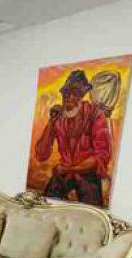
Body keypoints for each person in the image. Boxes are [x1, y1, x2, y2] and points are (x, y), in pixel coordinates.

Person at [35, 70, 112, 206]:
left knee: (92, 211)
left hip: (87, 173)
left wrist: (68, 169)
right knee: (45, 205)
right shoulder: (59, 117)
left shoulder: (95, 114)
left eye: (75, 94)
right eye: (66, 93)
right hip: (63, 172)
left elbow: (101, 157)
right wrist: (51, 123)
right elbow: (41, 155)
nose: (69, 98)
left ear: (82, 95)